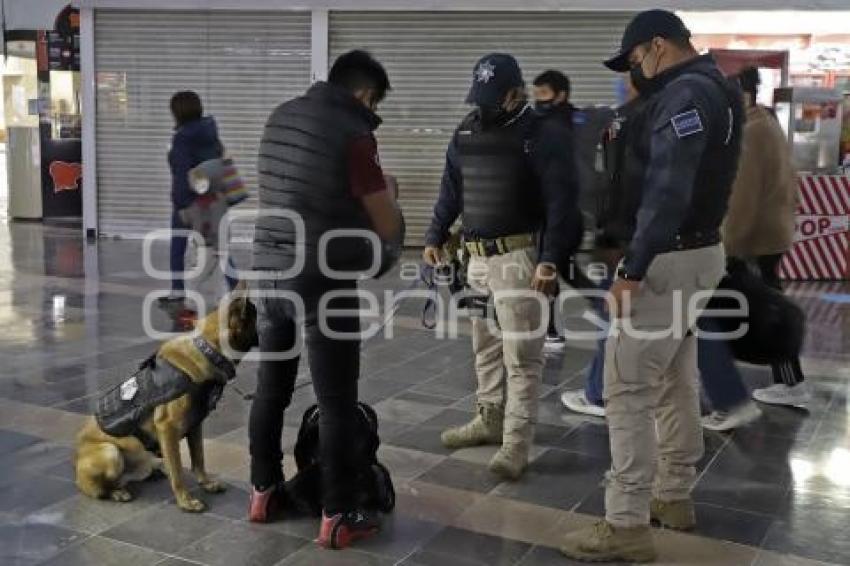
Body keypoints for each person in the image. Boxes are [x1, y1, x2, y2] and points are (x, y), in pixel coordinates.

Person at [560, 10, 743, 563]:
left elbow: (668, 189)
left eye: (636, 58)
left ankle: (626, 524)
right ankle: (674, 495)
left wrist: (634, 269)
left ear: (658, 45)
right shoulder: (720, 89)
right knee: (675, 378)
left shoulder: (685, 95)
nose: (634, 72)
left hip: (667, 260)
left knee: (627, 389)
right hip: (699, 254)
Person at [247, 50, 402, 550]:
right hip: (322, 280)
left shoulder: (279, 116)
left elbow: (292, 193)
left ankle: (263, 491)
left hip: (268, 274)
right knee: (336, 403)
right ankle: (337, 515)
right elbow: (383, 220)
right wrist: (390, 214)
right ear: (365, 95)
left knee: (271, 389)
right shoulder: (355, 134)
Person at [423, 53, 581, 481]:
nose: (484, 106)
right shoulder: (467, 131)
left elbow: (562, 205)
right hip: (475, 259)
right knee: (485, 346)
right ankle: (489, 419)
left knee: (522, 357)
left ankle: (516, 441)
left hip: (519, 258)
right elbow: (450, 189)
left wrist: (550, 260)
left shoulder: (543, 135)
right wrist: (435, 234)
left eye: (494, 98)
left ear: (515, 94)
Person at [723, 66, 809, 408]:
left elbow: (742, 198)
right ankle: (786, 379)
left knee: (769, 309)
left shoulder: (752, 132)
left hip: (757, 238)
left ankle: (791, 382)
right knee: (767, 304)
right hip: (773, 233)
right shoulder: (767, 124)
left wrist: (731, 245)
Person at [160, 91, 236, 320]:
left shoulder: (182, 137)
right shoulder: (210, 131)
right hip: (213, 199)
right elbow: (218, 158)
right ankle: (236, 288)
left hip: (189, 201)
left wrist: (181, 204)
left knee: (178, 244)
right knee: (220, 248)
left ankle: (178, 290)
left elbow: (181, 173)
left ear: (178, 112)